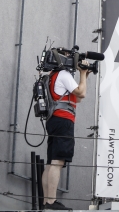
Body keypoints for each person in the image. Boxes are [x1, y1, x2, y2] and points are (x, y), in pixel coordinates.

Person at [42, 61, 89, 210]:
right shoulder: (64, 74)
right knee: (58, 161)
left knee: (51, 162)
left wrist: (84, 77)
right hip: (63, 120)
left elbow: (78, 98)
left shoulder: (53, 75)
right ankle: (51, 202)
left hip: (54, 120)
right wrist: (82, 73)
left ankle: (47, 201)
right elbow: (81, 93)